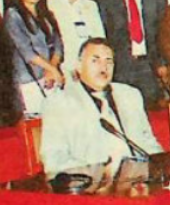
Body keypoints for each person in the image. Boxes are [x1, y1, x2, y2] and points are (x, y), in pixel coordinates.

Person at [39, 37, 162, 179]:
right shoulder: (59, 103)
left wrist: (160, 166)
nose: (103, 67)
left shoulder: (130, 95)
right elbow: (54, 160)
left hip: (138, 180)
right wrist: (98, 174)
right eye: (95, 60)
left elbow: (148, 142)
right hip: (94, 185)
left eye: (109, 61)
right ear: (79, 66)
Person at [102, 0, 168, 107]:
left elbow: (164, 31)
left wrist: (162, 63)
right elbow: (104, 33)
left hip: (149, 66)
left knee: (151, 112)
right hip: (120, 68)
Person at [4, 0, 66, 116]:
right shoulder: (13, 15)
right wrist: (52, 70)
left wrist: (52, 68)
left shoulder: (47, 14)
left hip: (49, 78)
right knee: (35, 121)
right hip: (28, 79)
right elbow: (26, 51)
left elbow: (58, 45)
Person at [49, 0, 105, 76]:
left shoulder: (90, 5)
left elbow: (99, 38)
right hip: (61, 68)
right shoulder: (49, 4)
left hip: (88, 68)